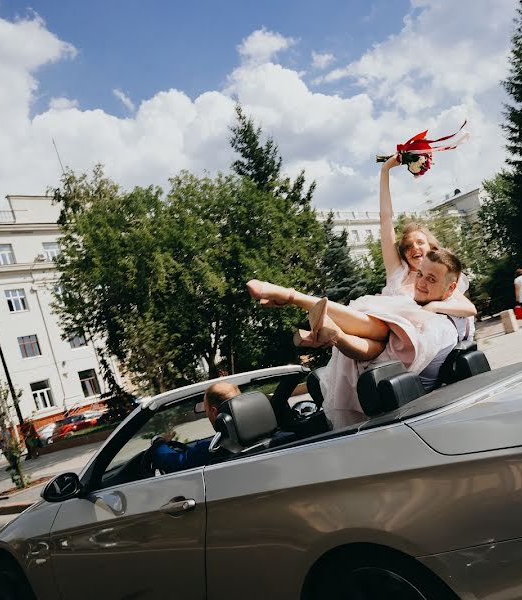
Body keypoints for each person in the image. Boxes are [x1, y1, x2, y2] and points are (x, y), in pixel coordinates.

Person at [248, 249, 471, 427]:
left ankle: (294, 298)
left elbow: (388, 356)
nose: (421, 283)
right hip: (387, 375)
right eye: (420, 274)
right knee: (382, 325)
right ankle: (335, 333)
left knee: (385, 330)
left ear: (450, 288)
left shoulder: (443, 325)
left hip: (396, 394)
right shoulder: (432, 310)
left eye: (431, 279)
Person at [379, 156, 477, 331]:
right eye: (408, 246)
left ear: (431, 249)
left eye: (419, 243)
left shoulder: (438, 278)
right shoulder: (397, 273)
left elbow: (469, 309)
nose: (414, 248)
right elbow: (385, 219)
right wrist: (385, 170)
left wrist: (433, 307)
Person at [150, 381, 240, 474]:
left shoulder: (213, 450)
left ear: (213, 412)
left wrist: (158, 441)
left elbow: (171, 462)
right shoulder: (251, 440)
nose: (207, 415)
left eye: (206, 410)